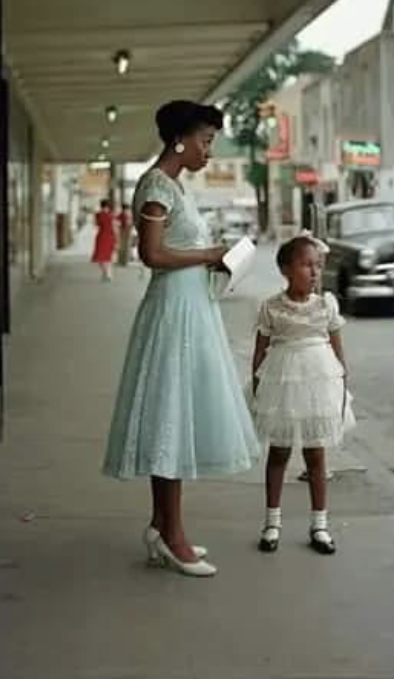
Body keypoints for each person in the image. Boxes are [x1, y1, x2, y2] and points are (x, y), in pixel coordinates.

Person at [103, 100, 259, 578]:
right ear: (180, 140)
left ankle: (161, 526)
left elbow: (173, 248)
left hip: (192, 307)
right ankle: (173, 536)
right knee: (171, 418)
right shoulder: (156, 185)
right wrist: (211, 252)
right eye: (206, 141)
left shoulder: (173, 186)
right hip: (174, 311)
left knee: (179, 417)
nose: (209, 151)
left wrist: (214, 259)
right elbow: (150, 255)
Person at [250, 236, 355, 555]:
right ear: (286, 269)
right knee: (279, 452)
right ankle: (272, 522)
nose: (314, 272)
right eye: (307, 265)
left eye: (318, 266)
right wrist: (257, 392)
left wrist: (341, 387)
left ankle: (319, 525)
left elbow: (338, 356)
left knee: (315, 454)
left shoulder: (326, 305)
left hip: (318, 385)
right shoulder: (271, 307)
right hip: (282, 384)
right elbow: (259, 353)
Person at [91, 199, 117, 281]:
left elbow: (95, 224)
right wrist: (116, 239)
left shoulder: (98, 214)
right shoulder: (111, 215)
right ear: (108, 206)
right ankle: (108, 273)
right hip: (110, 236)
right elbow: (114, 227)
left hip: (101, 236)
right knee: (108, 257)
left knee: (100, 257)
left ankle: (105, 273)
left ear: (101, 205)